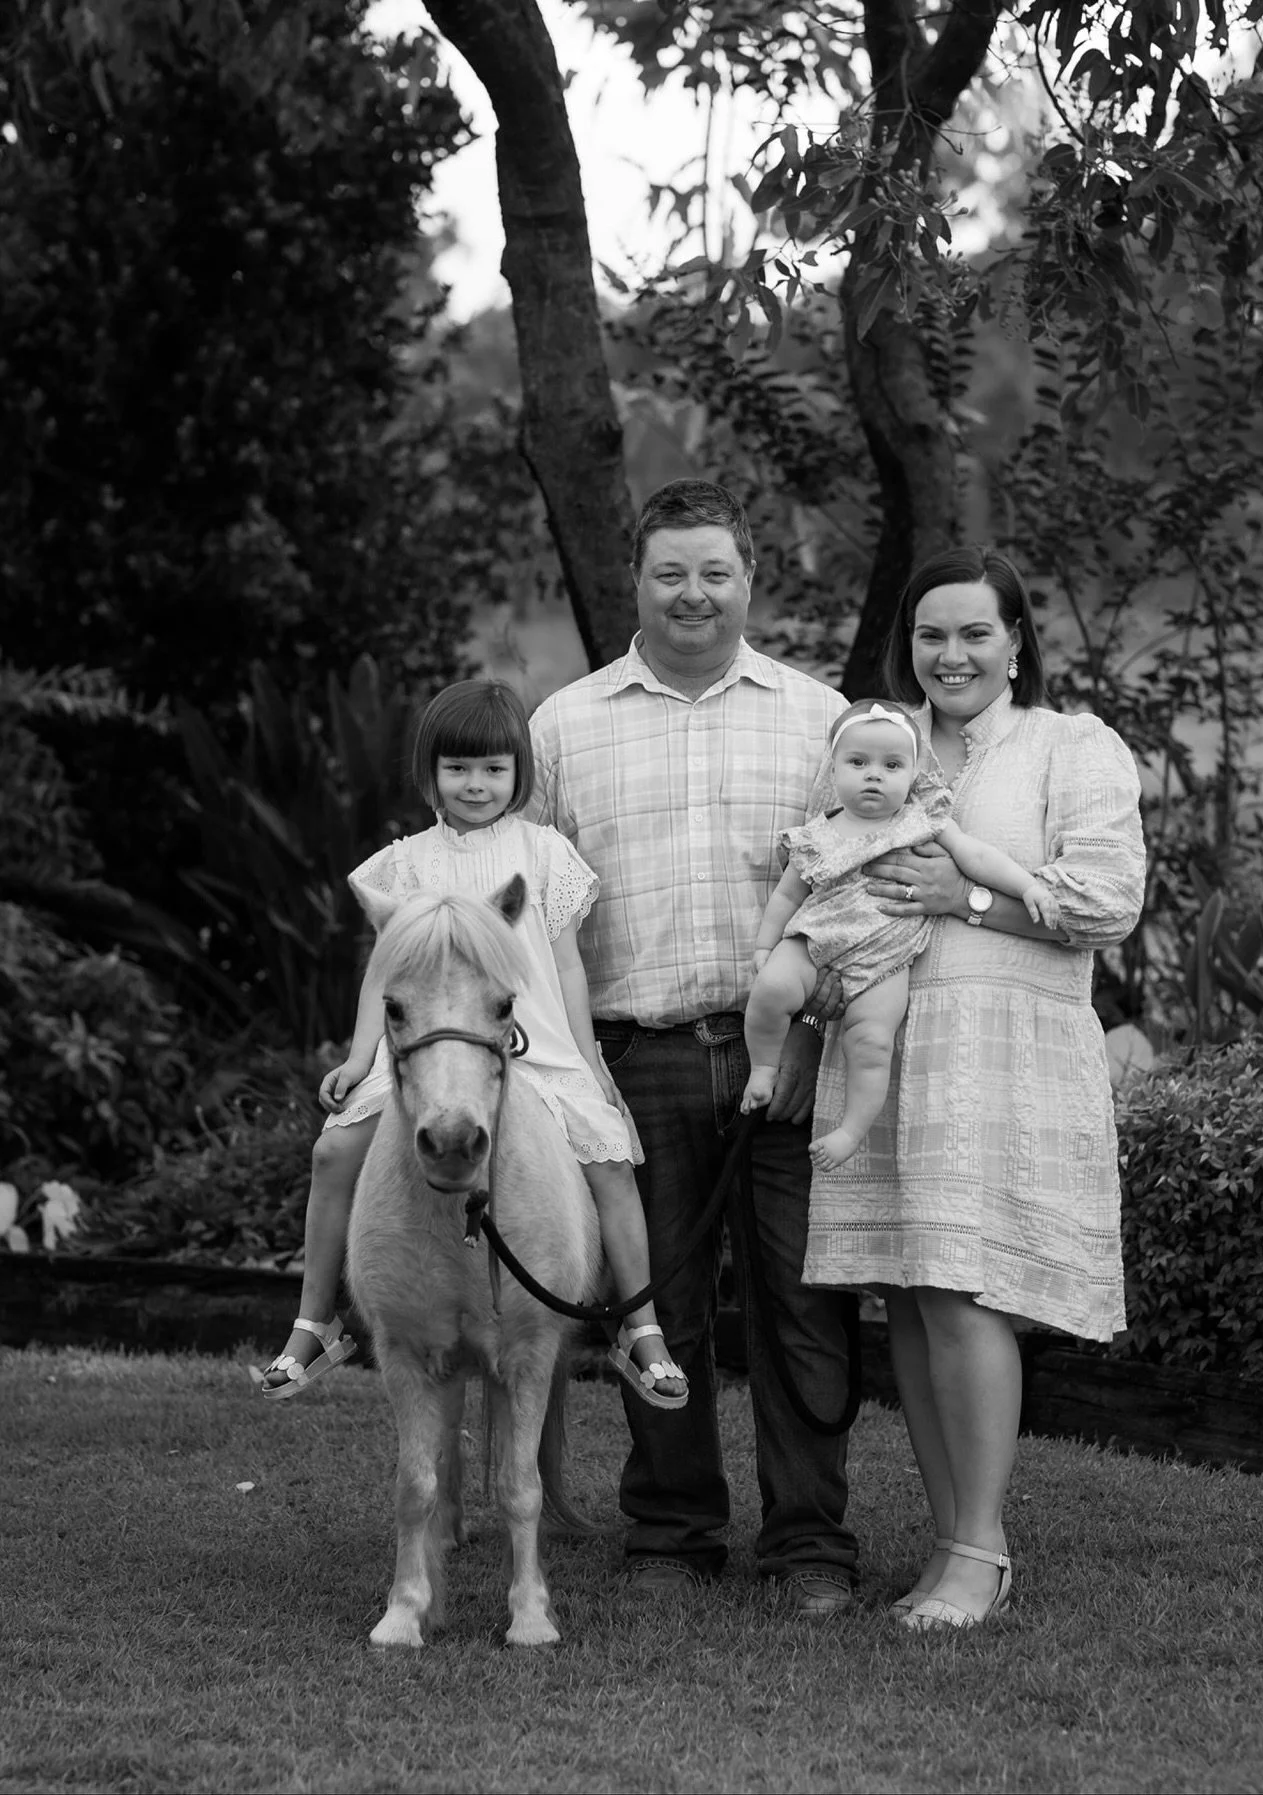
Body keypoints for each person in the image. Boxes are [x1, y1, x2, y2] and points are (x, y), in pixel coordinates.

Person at [528, 479, 860, 1614]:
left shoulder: (819, 719)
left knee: (802, 1309)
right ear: (637, 579)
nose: (693, 592)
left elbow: (849, 895)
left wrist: (820, 1030)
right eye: (671, 571)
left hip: (788, 1053)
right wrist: (573, 1079)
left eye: (714, 570)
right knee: (651, 1302)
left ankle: (810, 1542)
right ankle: (673, 1529)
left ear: (749, 578)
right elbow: (540, 916)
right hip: (637, 1057)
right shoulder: (564, 726)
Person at [802, 546, 1146, 1631]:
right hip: (891, 1042)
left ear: (1014, 645)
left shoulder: (1068, 747)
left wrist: (970, 900)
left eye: (973, 633)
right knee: (907, 1289)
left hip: (1004, 1046)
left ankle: (981, 1548)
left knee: (963, 1289)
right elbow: (827, 870)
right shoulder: (881, 746)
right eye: (930, 635)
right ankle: (953, 1537)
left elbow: (1107, 901)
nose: (950, 654)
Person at [258, 679, 687, 1412]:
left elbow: (569, 965)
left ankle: (639, 1326)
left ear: (521, 773)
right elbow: (385, 975)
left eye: (494, 768)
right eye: (458, 768)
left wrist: (590, 1065)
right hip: (427, 1050)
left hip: (534, 1047)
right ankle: (315, 1319)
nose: (476, 784)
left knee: (611, 1164)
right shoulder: (407, 864)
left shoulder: (545, 854)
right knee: (332, 1152)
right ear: (430, 774)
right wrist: (361, 1059)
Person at [742, 697, 1060, 1171]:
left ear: (914, 775)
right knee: (770, 988)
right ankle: (763, 1068)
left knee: (872, 1043)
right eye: (858, 762)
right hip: (814, 944)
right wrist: (767, 946)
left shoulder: (921, 822)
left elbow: (977, 859)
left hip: (886, 960)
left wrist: (1028, 885)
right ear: (833, 772)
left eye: (891, 765)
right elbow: (788, 898)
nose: (874, 774)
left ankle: (850, 1131)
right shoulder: (816, 834)